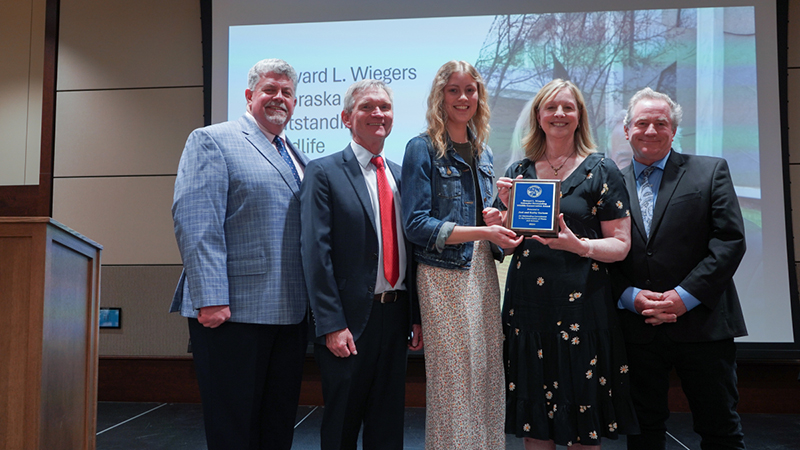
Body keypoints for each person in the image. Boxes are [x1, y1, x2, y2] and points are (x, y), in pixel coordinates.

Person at [171, 58, 308, 450]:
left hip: (289, 314)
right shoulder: (212, 139)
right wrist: (211, 298)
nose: (278, 98)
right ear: (250, 96)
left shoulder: (297, 157)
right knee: (234, 429)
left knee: (276, 426)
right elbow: (197, 222)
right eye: (270, 90)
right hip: (233, 313)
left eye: (286, 92)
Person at [496, 79, 639, 449]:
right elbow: (508, 246)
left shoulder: (602, 170)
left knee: (582, 420)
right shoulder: (520, 171)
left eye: (568, 107)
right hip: (529, 309)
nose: (559, 114)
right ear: (539, 116)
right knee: (536, 425)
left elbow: (621, 246)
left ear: (579, 117)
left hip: (583, 308)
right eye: (551, 107)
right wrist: (499, 217)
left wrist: (581, 245)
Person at [612, 87, 747, 449]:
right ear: (627, 130)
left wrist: (682, 297)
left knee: (720, 429)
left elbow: (730, 242)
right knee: (643, 433)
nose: (651, 131)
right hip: (637, 331)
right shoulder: (608, 186)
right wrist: (631, 296)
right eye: (642, 123)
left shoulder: (709, 171)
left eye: (661, 123)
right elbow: (601, 254)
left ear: (674, 131)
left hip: (703, 324)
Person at [401, 60, 522, 449]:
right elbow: (417, 224)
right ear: (440, 96)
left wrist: (499, 216)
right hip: (443, 276)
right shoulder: (421, 148)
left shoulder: (484, 152)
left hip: (482, 272)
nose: (463, 97)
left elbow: (487, 222)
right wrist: (484, 230)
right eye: (453, 90)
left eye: (470, 90)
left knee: (487, 375)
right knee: (454, 382)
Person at [300, 79, 423, 450]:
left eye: (384, 107)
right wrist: (332, 324)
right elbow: (315, 253)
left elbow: (415, 252)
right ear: (346, 118)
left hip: (396, 317)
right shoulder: (323, 172)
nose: (378, 114)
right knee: (342, 425)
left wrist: (416, 317)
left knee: (388, 426)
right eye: (367, 107)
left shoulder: (403, 175)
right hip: (349, 322)